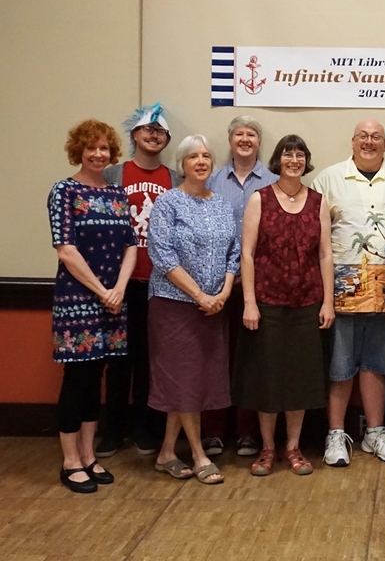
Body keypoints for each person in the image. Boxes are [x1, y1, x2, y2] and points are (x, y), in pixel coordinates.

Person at [311, 119, 385, 467]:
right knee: (340, 366)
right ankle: (335, 434)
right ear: (352, 141)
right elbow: (315, 240)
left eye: (376, 136)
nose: (369, 141)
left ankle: (374, 432)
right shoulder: (328, 180)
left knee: (377, 364)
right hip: (340, 292)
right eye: (363, 135)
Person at [231, 135, 335, 477]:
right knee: (268, 378)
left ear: (306, 160)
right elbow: (246, 253)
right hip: (266, 302)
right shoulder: (260, 199)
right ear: (278, 160)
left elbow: (324, 254)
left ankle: (293, 446)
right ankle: (267, 448)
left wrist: (328, 302)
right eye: (288, 154)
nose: (294, 160)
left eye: (300, 154)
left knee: (299, 378)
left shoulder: (318, 201)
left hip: (307, 303)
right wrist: (249, 302)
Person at [49, 119, 137, 493]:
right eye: (92, 148)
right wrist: (102, 290)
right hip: (78, 300)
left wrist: (118, 288)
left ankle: (89, 455)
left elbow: (131, 245)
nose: (99, 154)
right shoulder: (64, 191)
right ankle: (70, 461)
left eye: (104, 148)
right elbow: (66, 249)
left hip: (114, 301)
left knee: (98, 376)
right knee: (77, 379)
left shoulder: (117, 194)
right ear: (79, 151)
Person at [147, 135, 239, 485]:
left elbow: (233, 251)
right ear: (182, 164)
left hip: (215, 307)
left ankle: (167, 452)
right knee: (183, 377)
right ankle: (199, 454)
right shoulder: (168, 202)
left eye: (205, 156)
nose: (200, 161)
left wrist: (225, 290)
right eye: (192, 157)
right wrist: (199, 294)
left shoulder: (221, 204)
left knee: (193, 380)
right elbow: (162, 255)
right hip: (176, 305)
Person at [96, 103, 180, 458]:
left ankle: (146, 428)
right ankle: (112, 429)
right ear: (134, 135)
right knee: (118, 358)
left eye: (160, 131)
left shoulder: (174, 177)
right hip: (120, 282)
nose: (154, 135)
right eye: (148, 129)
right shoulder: (114, 174)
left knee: (151, 359)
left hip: (160, 283)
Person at [204, 115, 277, 458]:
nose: (245, 139)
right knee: (216, 356)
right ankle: (214, 432)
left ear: (259, 141)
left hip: (260, 286)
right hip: (217, 284)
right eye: (238, 134)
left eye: (251, 134)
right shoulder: (212, 180)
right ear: (230, 140)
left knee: (252, 359)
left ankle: (248, 432)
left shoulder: (276, 183)